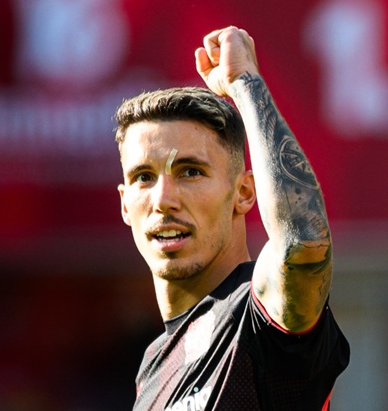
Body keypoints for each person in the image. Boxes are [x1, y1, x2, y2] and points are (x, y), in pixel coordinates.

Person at [114, 26, 349, 411]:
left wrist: (245, 84)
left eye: (191, 172)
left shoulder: (258, 319)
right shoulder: (152, 368)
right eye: (143, 177)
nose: (163, 200)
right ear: (125, 205)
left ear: (244, 193)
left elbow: (303, 243)